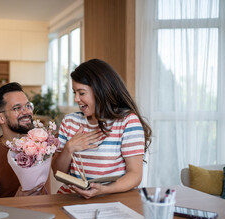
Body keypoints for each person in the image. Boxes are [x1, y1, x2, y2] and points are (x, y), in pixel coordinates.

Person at [52, 59, 152, 199]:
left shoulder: (127, 122)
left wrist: (103, 189)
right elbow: (57, 172)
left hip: (112, 199)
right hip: (71, 199)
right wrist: (69, 148)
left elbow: (135, 174)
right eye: (74, 92)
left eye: (81, 93)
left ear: (101, 91)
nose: (76, 99)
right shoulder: (70, 121)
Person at [0, 82, 47, 199]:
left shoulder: (43, 145)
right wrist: (17, 200)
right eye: (17, 108)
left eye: (28, 106)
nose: (27, 112)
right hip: (11, 216)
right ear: (1, 117)